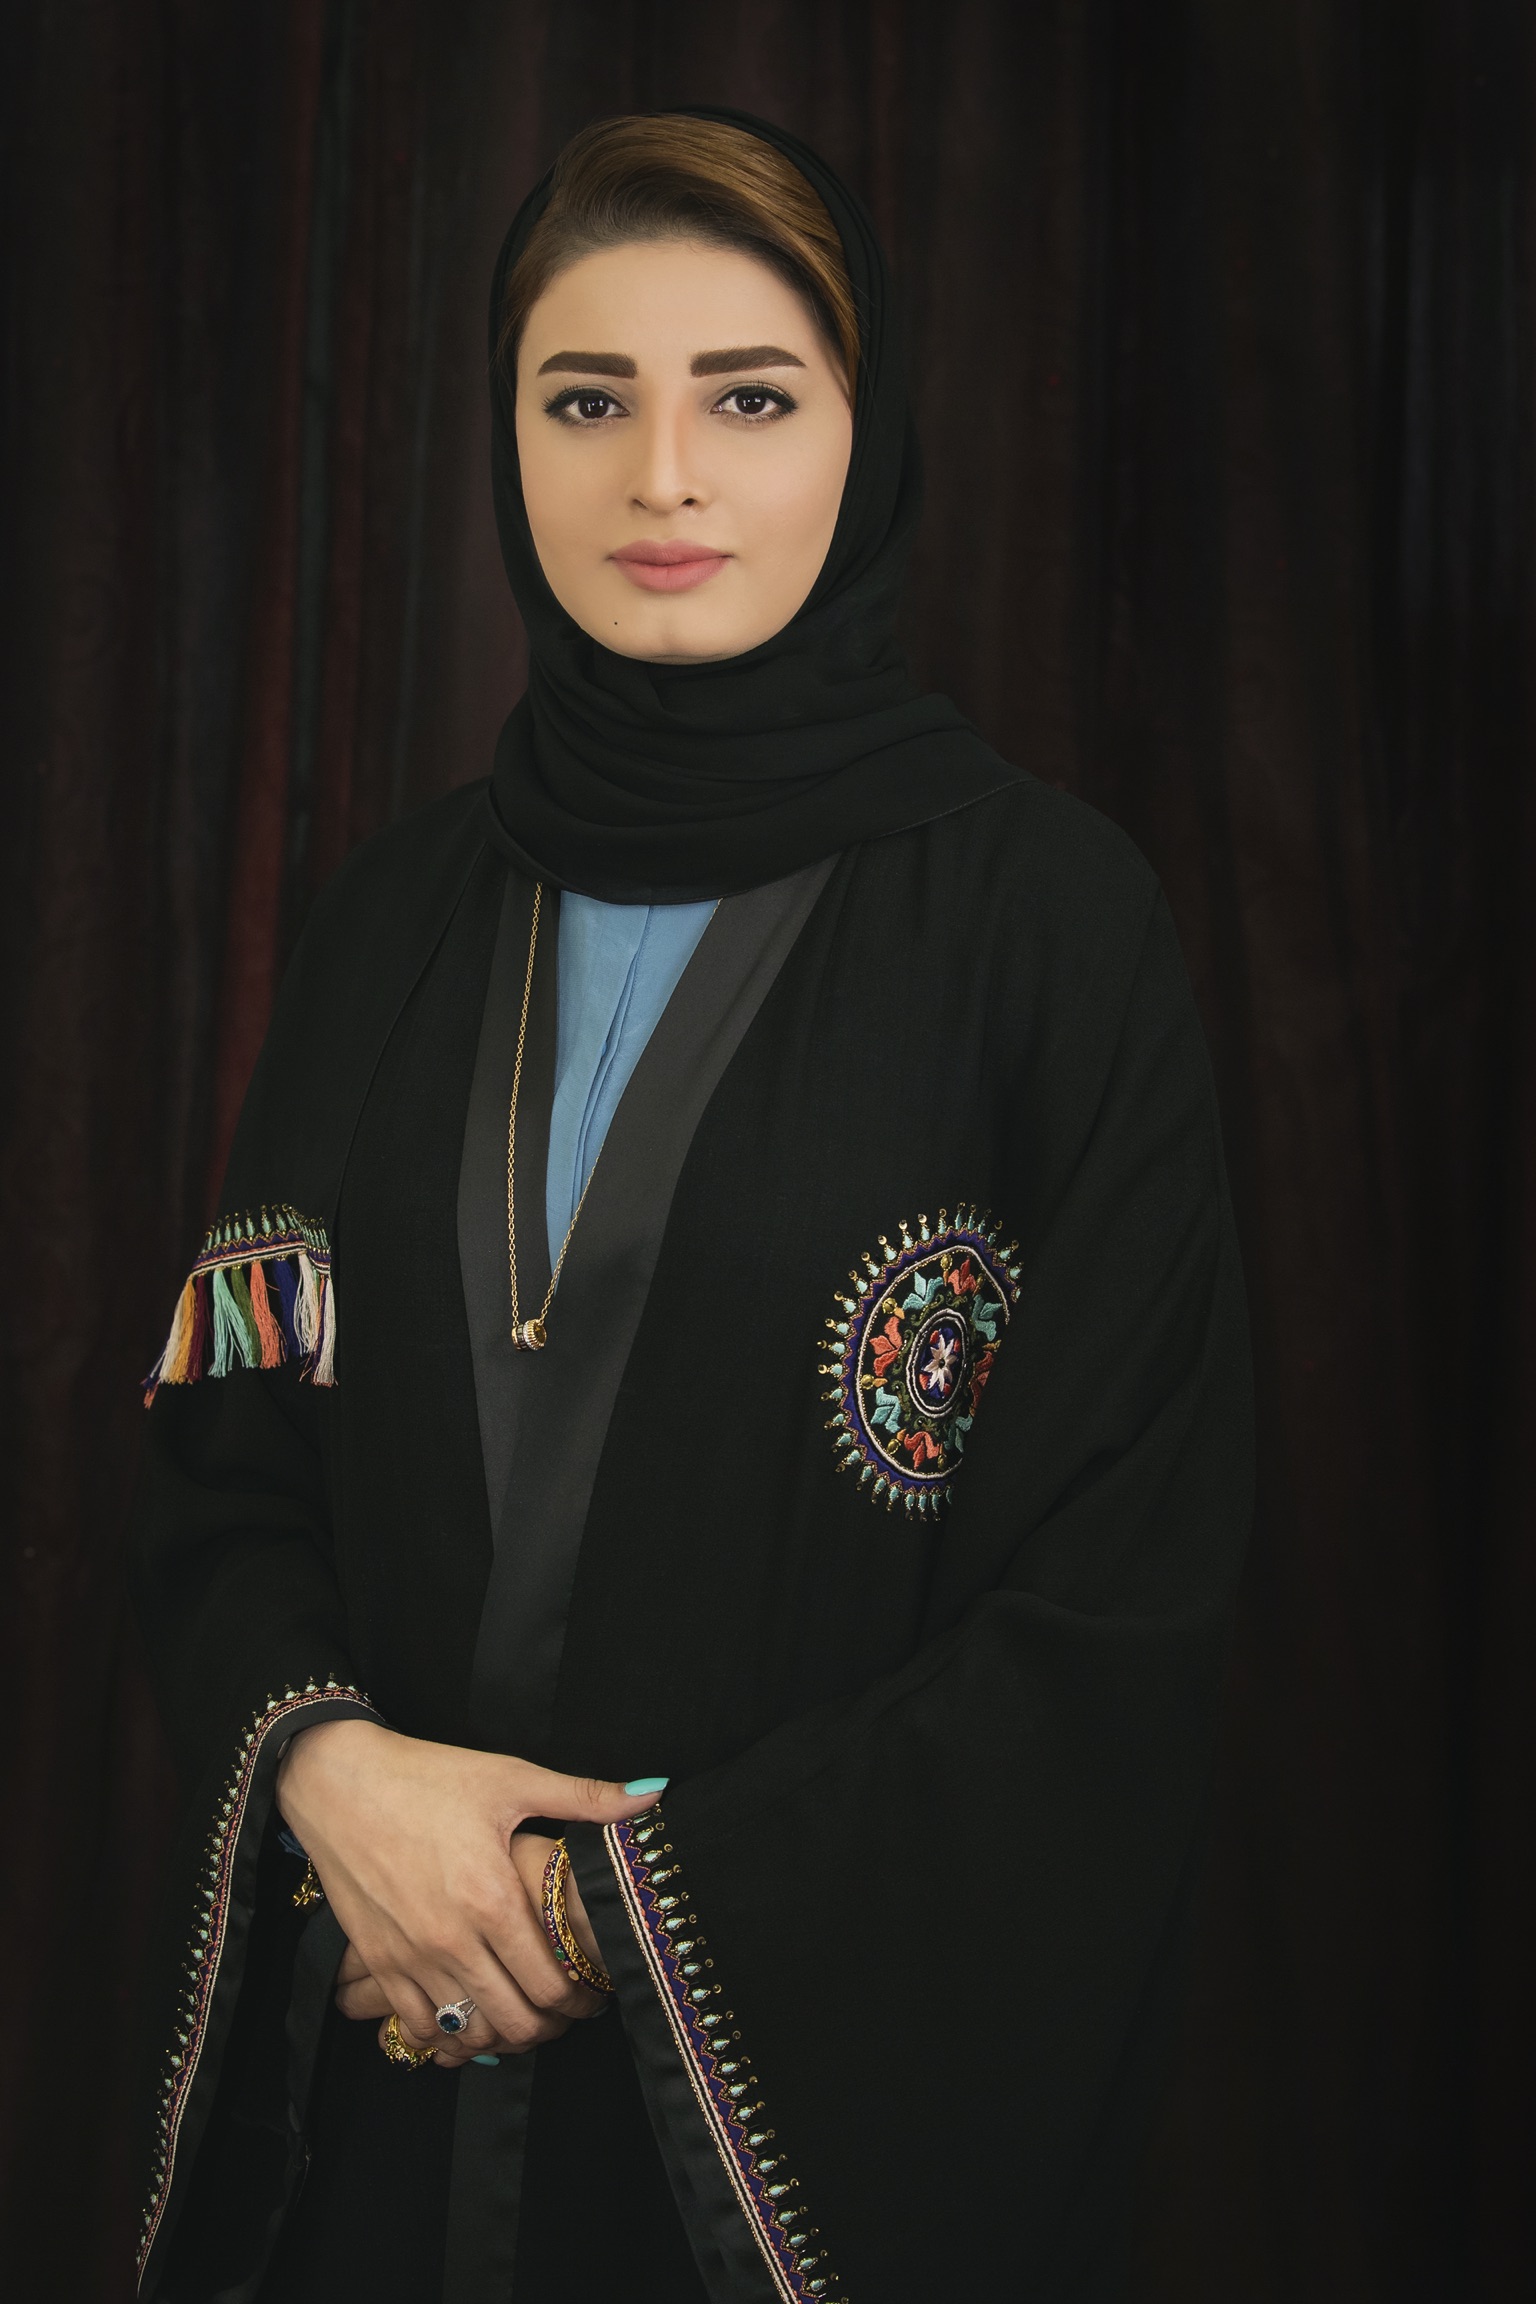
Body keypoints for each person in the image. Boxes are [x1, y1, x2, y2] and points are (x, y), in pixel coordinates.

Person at [130, 107, 1253, 2304]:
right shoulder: (389, 923)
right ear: (505, 440)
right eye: (586, 400)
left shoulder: (1049, 930)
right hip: (376, 2090)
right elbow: (222, 1470)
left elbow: (1114, 1615)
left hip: (785, 2151)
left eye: (749, 399)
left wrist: (584, 1915)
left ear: (867, 433)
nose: (662, 477)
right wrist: (333, 1774)